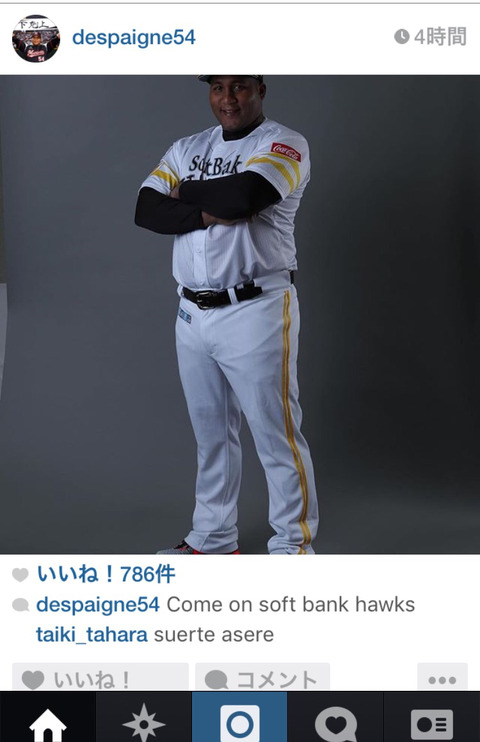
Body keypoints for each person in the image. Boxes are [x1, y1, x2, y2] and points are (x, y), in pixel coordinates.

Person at [135, 75, 319, 554]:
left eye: (239, 86)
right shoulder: (187, 147)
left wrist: (186, 194)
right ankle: (213, 538)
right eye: (217, 87)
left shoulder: (284, 142)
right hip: (192, 311)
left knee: (276, 434)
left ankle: (293, 547)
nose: (227, 98)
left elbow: (244, 199)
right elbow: (146, 209)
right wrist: (208, 207)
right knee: (211, 435)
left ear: (261, 89)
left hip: (256, 307)